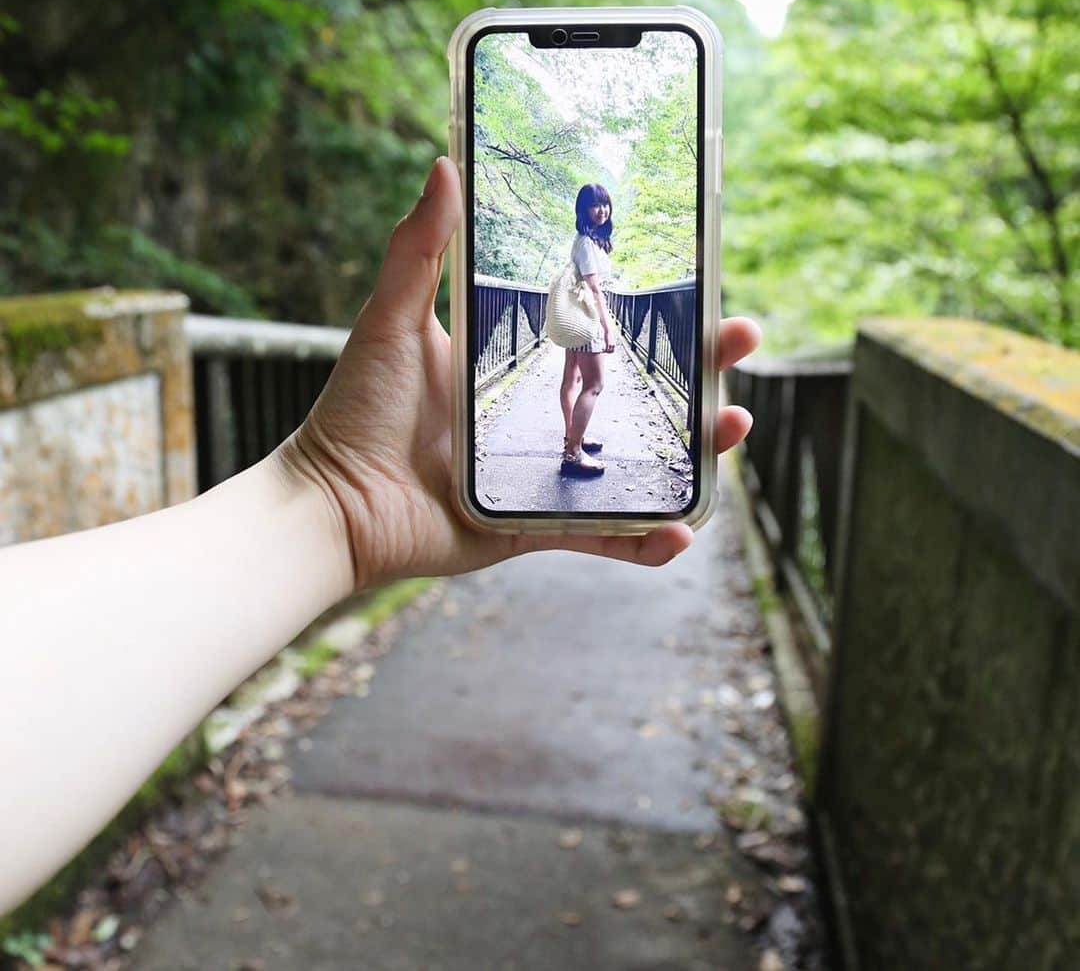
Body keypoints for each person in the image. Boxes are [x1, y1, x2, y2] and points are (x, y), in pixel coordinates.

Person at [0, 157, 759, 917]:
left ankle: (568, 445)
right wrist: (334, 496)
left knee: (572, 383)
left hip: (518, 366)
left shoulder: (575, 247)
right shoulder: (594, 258)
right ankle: (571, 448)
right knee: (587, 383)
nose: (600, 216)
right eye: (597, 207)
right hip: (581, 332)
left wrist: (333, 501)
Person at [559, 183, 617, 479]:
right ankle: (572, 453)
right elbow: (595, 290)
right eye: (595, 205)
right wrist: (609, 330)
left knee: (573, 377)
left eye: (605, 204)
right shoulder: (585, 242)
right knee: (593, 384)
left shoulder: (587, 240)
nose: (602, 210)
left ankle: (574, 438)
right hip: (588, 319)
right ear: (584, 209)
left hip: (578, 316)